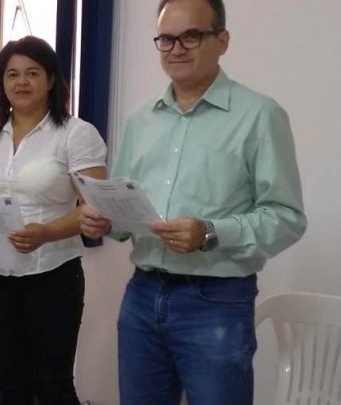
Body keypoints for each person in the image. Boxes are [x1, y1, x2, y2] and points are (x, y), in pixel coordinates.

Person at [79, 0, 307, 403]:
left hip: (216, 301)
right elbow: (124, 205)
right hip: (142, 293)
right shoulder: (141, 119)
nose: (176, 48)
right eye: (166, 39)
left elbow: (287, 217)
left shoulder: (259, 115)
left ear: (223, 41)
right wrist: (105, 220)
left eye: (191, 36)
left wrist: (210, 233)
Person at [0, 36, 107, 405]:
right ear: (1, 82)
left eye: (32, 73)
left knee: (53, 383)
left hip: (52, 274)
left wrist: (47, 232)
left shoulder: (75, 134)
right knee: (10, 382)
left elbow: (94, 207)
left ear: (51, 80)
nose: (21, 82)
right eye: (12, 74)